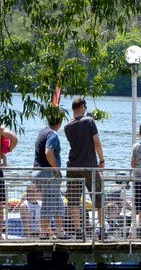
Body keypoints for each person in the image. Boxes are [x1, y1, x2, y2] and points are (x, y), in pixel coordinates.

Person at [64, 97, 105, 238]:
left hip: (73, 166)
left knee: (73, 200)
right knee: (98, 196)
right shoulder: (89, 121)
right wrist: (102, 160)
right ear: (82, 106)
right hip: (89, 166)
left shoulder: (67, 126)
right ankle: (101, 229)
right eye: (85, 107)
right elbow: (97, 142)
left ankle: (78, 231)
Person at [32, 111, 65, 239]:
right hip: (48, 173)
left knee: (57, 201)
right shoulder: (53, 134)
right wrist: (56, 169)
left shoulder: (42, 132)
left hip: (38, 172)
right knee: (49, 202)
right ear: (59, 123)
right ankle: (43, 234)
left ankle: (61, 232)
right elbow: (48, 152)